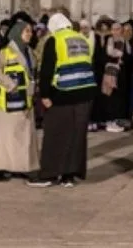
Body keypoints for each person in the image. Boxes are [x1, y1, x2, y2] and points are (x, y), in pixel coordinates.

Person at [29, 13, 96, 188]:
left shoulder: (55, 40)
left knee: (55, 135)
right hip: (85, 94)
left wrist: (45, 95)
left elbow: (47, 69)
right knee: (76, 136)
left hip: (63, 93)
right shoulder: (82, 39)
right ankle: (69, 175)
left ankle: (49, 175)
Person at [0, 19, 39, 181]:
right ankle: (2, 167)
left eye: (30, 31)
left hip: (26, 100)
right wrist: (10, 84)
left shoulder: (30, 52)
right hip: (9, 101)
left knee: (24, 137)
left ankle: (22, 167)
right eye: (26, 31)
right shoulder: (6, 52)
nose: (30, 34)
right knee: (7, 136)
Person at [98, 19, 132, 127]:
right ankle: (109, 119)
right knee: (109, 96)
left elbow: (129, 57)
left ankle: (118, 119)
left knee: (119, 97)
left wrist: (123, 60)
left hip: (121, 74)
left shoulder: (125, 42)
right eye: (113, 29)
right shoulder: (107, 41)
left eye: (118, 29)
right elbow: (102, 57)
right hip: (109, 73)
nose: (116, 31)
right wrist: (112, 61)